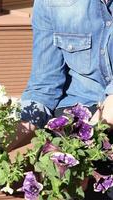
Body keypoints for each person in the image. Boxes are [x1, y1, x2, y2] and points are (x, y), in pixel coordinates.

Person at [10, 0, 113, 198]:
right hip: (80, 109)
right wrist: (2, 142)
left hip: (101, 119)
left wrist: (83, 148)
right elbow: (43, 86)